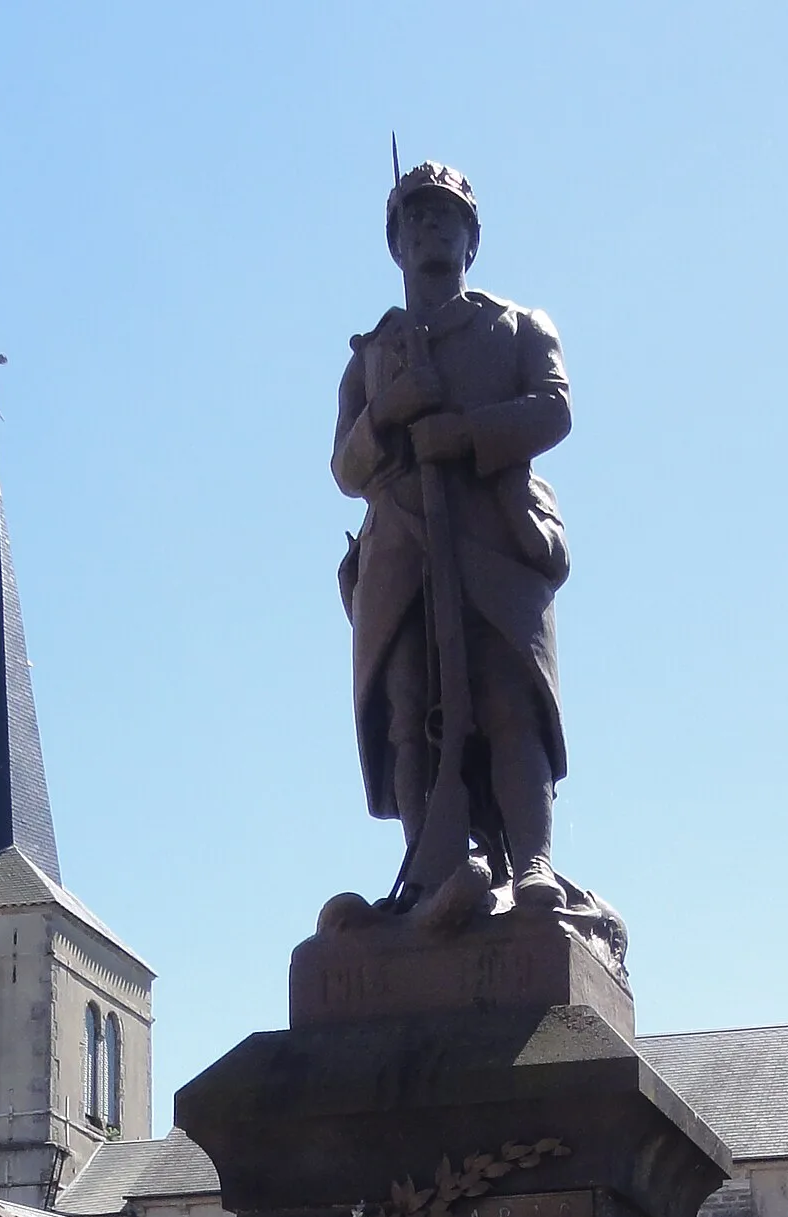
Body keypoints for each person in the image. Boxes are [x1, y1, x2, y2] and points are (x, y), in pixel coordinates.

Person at [333, 162, 572, 913]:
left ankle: (531, 862)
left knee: (509, 703)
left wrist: (463, 435)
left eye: (445, 218)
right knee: (410, 719)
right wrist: (392, 410)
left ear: (472, 239)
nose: (429, 228)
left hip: (495, 540)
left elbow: (554, 410)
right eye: (414, 219)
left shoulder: (519, 326)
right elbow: (345, 467)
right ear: (395, 245)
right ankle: (429, 868)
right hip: (400, 550)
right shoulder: (371, 355)